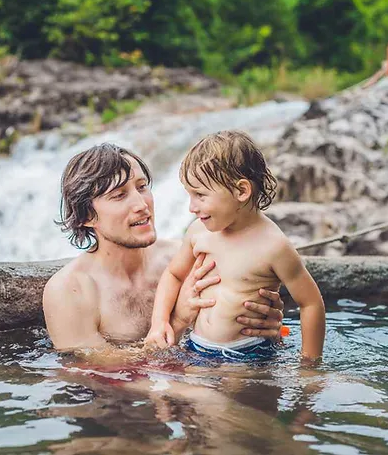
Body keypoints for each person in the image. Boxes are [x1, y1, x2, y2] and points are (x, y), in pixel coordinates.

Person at [42, 142, 285, 352]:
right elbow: (103, 374)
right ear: (86, 216)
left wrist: (268, 328)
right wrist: (178, 321)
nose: (141, 204)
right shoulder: (70, 291)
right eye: (119, 195)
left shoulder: (188, 258)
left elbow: (236, 335)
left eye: (141, 186)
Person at [145, 130, 325, 361]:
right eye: (189, 195)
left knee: (215, 397)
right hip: (196, 347)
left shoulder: (273, 246)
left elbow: (310, 303)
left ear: (241, 191)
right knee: (165, 393)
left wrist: (309, 363)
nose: (191, 207)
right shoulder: (198, 232)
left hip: (247, 353)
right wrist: (159, 322)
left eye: (200, 195)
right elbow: (174, 274)